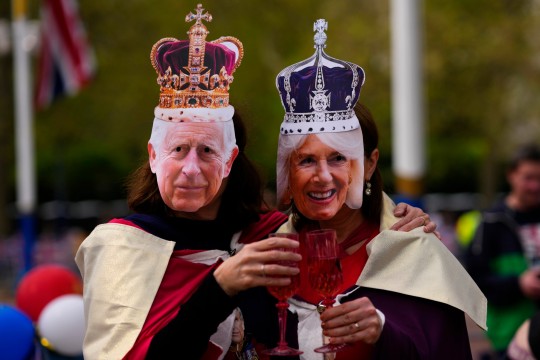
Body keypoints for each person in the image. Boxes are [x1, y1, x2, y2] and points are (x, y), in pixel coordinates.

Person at [75, 6, 440, 359]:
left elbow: (341, 205)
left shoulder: (268, 235)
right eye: (178, 149)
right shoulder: (120, 247)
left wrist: (396, 216)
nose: (190, 169)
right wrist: (221, 287)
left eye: (206, 151)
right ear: (154, 156)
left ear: (230, 161)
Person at [237, 19, 487, 359]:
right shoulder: (266, 252)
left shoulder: (415, 251)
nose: (321, 177)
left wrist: (383, 332)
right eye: (306, 160)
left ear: (370, 164)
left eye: (339, 158)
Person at [466, 143, 540, 357]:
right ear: (512, 176)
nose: (535, 186)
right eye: (529, 178)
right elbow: (474, 284)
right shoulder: (491, 223)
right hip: (508, 337)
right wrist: (519, 284)